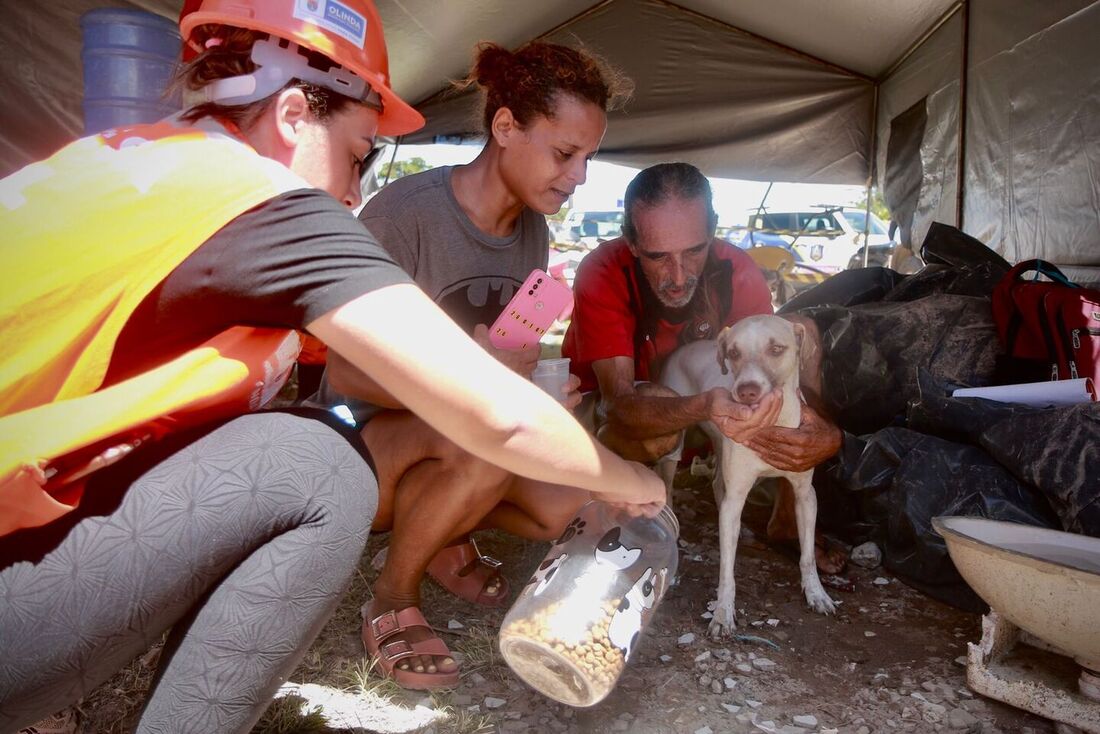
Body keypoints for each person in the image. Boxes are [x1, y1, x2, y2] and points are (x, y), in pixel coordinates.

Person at [0, 2, 667, 730]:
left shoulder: (147, 164)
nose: (354, 195)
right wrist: (632, 480)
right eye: (358, 154)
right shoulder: (257, 201)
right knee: (315, 463)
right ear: (291, 115)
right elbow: (494, 413)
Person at [316, 40, 643, 682]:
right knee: (488, 434)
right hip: (353, 447)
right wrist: (473, 378)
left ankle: (438, 527)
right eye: (564, 153)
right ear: (504, 127)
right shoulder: (405, 214)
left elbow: (503, 363)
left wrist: (529, 390)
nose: (578, 176)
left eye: (587, 158)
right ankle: (391, 597)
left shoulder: (533, 232)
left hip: (455, 440)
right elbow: (347, 373)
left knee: (561, 502)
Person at [561, 162, 846, 571]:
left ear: (712, 229)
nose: (677, 277)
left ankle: (786, 517)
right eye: (659, 256)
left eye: (694, 251)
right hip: (618, 429)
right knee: (658, 434)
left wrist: (823, 433)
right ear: (632, 242)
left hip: (710, 423)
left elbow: (774, 372)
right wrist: (703, 407)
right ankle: (619, 509)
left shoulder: (737, 270)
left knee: (804, 330)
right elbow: (619, 404)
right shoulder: (603, 272)